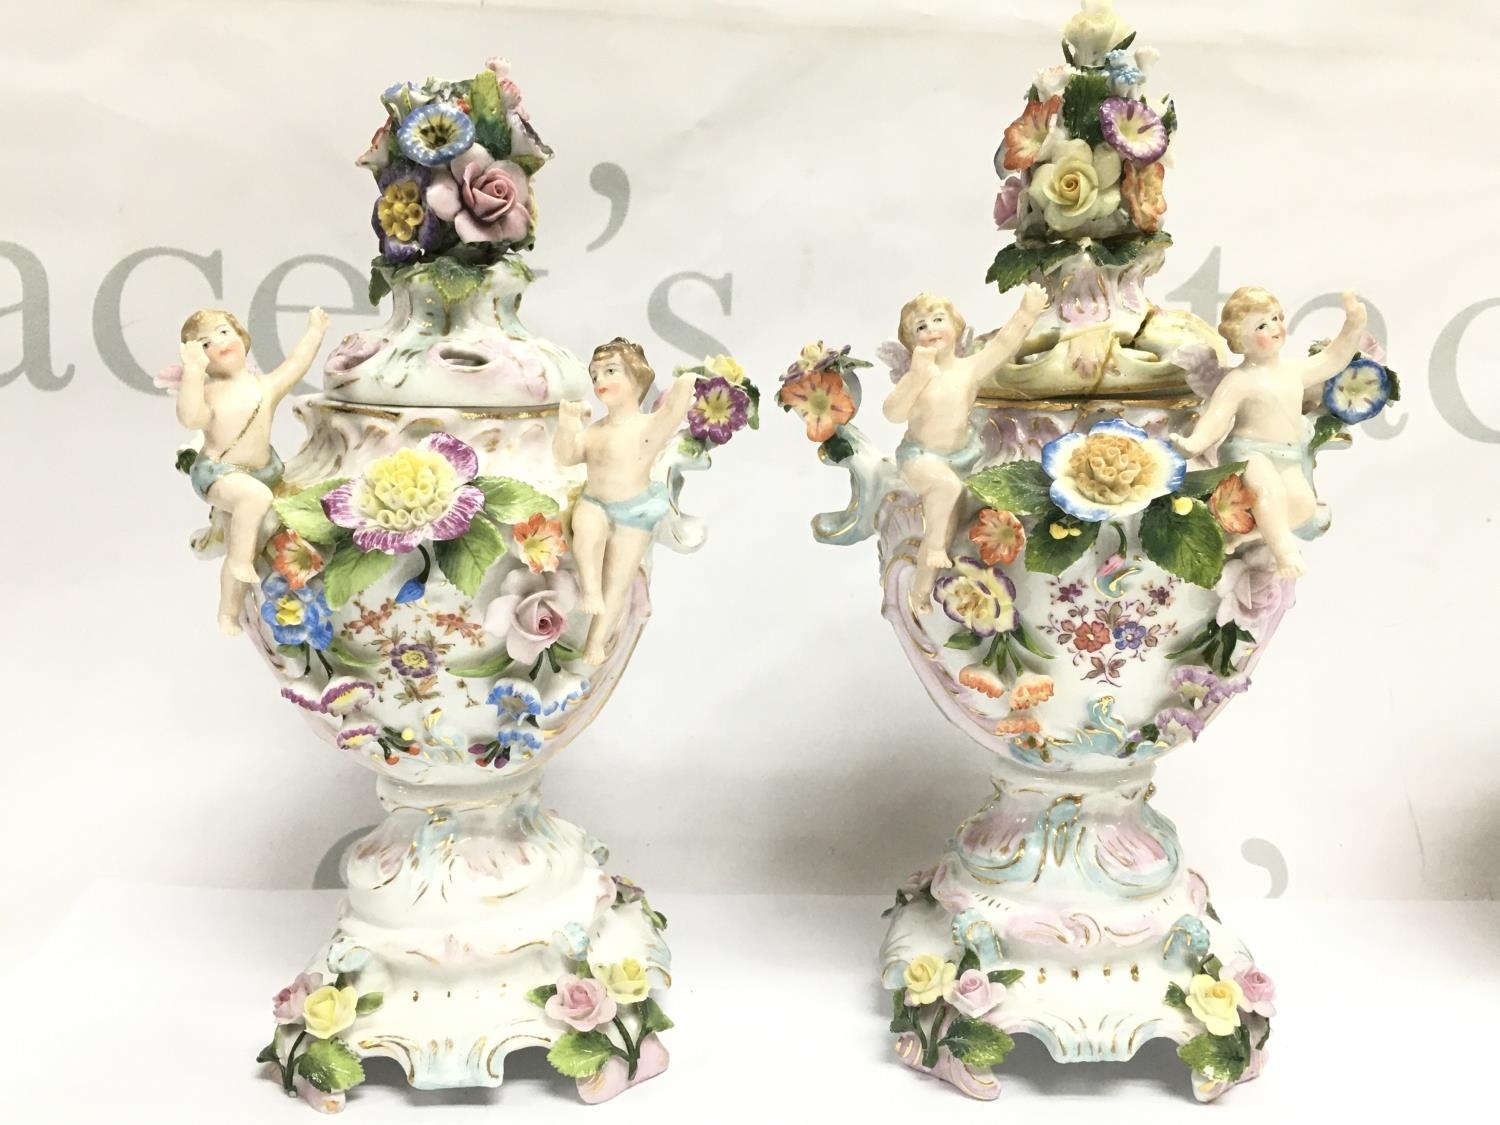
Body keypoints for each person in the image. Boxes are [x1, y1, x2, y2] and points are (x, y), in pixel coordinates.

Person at [1171, 288, 1367, 578]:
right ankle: (1286, 553)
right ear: (1241, 339)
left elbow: (1332, 359)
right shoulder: (1239, 381)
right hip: (1247, 452)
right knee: (1269, 492)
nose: (1274, 328)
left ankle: (1247, 537)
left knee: (1302, 505)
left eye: (1276, 318)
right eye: (1262, 325)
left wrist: (1353, 324)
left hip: (1287, 454)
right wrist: (1193, 443)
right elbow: (1216, 417)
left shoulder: (1294, 370)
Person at [884, 284, 1048, 609]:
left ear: (956, 326)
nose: (931, 330)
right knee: (945, 488)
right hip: (920, 457)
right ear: (912, 341)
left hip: (962, 457)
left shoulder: (968, 369)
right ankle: (933, 550)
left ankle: (920, 593)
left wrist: (1027, 311)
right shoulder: (919, 376)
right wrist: (916, 377)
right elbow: (893, 413)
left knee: (945, 530)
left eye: (938, 320)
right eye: (920, 327)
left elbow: (1004, 344)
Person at [175, 306, 330, 633]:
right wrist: (192, 372)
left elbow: (296, 363)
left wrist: (315, 331)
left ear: (241, 337)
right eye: (204, 343)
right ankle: (240, 561)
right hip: (218, 474)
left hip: (261, 474)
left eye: (223, 332)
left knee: (247, 534)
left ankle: (229, 612)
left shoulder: (265, 387)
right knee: (253, 506)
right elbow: (190, 417)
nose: (218, 343)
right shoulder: (209, 393)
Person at [555, 338, 695, 664]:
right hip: (595, 503)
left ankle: (595, 641)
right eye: (594, 375)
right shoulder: (595, 431)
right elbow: (566, 456)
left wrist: (690, 380)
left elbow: (674, 411)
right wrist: (567, 428)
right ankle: (590, 590)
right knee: (585, 528)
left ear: (637, 378)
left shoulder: (647, 427)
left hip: (634, 512)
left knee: (617, 584)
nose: (599, 381)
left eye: (610, 371)